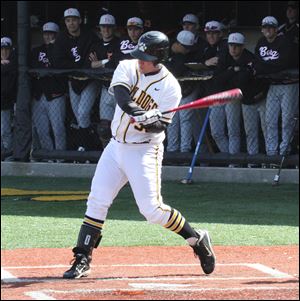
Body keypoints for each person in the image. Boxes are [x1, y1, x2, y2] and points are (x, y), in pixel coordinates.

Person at [63, 31, 216, 279]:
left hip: (145, 150)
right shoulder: (127, 66)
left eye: (145, 57)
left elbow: (161, 126)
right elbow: (122, 95)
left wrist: (148, 123)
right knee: (97, 200)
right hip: (115, 147)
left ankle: (196, 239)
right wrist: (138, 112)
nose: (140, 61)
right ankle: (82, 257)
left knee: (152, 211)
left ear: (159, 58)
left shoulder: (170, 88)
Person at [213, 33, 268, 165]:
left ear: (242, 47)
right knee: (227, 129)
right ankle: (233, 160)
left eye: (237, 46)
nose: (234, 49)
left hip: (247, 96)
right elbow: (217, 80)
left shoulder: (249, 58)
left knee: (247, 130)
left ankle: (252, 162)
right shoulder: (225, 56)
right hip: (229, 95)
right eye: (231, 45)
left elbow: (242, 81)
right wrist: (233, 70)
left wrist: (230, 74)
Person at [53, 8, 100, 150]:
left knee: (83, 113)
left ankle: (83, 147)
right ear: (65, 23)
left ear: (79, 21)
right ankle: (85, 146)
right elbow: (58, 62)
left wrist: (83, 65)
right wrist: (81, 65)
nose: (71, 23)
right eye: (68, 21)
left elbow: (95, 58)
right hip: (73, 80)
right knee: (79, 117)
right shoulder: (62, 38)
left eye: (74, 20)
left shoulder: (89, 35)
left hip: (89, 80)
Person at [254, 16, 298, 159]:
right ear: (262, 29)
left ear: (276, 29)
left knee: (287, 120)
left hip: (288, 85)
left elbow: (283, 64)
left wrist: (264, 67)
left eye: (271, 27)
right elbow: (257, 63)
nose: (268, 29)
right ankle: (271, 152)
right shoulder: (261, 42)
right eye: (265, 27)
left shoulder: (284, 42)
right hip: (272, 85)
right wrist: (269, 68)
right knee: (269, 120)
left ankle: (284, 150)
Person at [31, 22, 67, 154]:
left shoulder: (61, 50)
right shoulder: (36, 50)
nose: (48, 36)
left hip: (55, 95)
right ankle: (48, 156)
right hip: (38, 96)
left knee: (58, 129)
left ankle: (61, 157)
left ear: (57, 35)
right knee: (42, 130)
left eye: (51, 33)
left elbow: (59, 66)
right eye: (46, 33)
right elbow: (34, 67)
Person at [89, 14, 121, 147]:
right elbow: (91, 65)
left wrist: (100, 63)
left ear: (114, 28)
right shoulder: (96, 45)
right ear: (99, 29)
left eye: (109, 27)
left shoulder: (120, 43)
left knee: (121, 127)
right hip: (105, 89)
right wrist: (106, 62)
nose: (106, 30)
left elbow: (117, 62)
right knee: (104, 127)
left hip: (121, 88)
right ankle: (106, 154)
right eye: (103, 27)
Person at [166, 30, 201, 152]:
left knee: (185, 119)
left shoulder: (194, 51)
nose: (188, 50)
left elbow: (180, 70)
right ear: (177, 44)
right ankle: (172, 150)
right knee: (172, 120)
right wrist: (177, 54)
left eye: (189, 47)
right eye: (185, 47)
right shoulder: (166, 50)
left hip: (189, 89)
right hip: (172, 92)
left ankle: (185, 151)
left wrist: (180, 55)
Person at [1, 37, 17, 158]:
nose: (4, 52)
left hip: (6, 103)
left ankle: (8, 154)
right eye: (2, 49)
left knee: (6, 130)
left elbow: (12, 68)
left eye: (6, 49)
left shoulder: (15, 62)